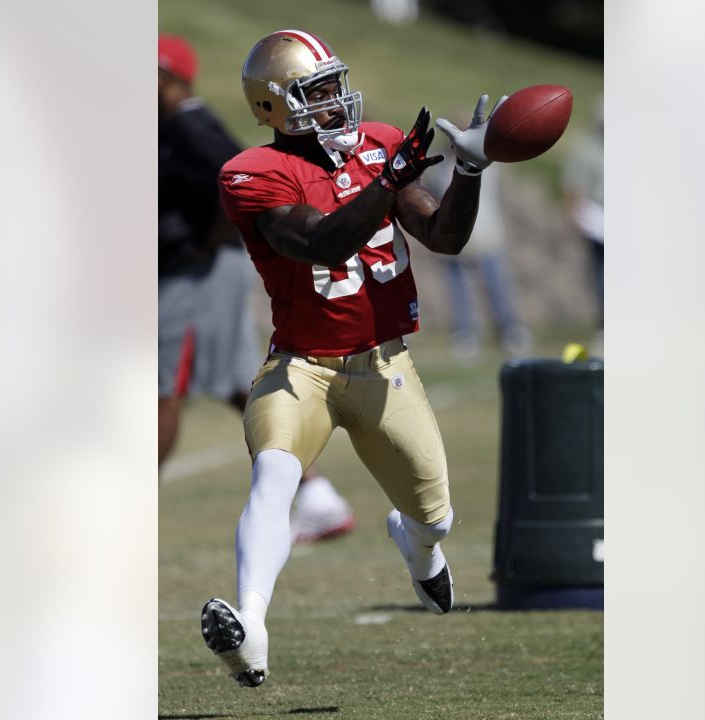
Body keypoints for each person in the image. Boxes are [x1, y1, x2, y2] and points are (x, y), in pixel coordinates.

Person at [199, 28, 501, 687]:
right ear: (274, 106)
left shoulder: (380, 148)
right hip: (302, 366)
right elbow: (319, 243)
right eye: (317, 90)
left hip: (384, 367)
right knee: (274, 477)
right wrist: (386, 183)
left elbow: (444, 235)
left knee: (436, 516)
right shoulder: (252, 173)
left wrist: (470, 172)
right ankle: (249, 626)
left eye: (336, 84)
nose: (336, 100)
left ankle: (419, 550)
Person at [158, 34, 353, 543]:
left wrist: (207, 243)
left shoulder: (191, 127)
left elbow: (239, 183)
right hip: (184, 271)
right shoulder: (171, 127)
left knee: (161, 389)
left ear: (170, 78)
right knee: (233, 384)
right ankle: (316, 494)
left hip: (193, 273)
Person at [421, 139, 533, 361]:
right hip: (456, 238)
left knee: (497, 286)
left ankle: (510, 329)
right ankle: (465, 333)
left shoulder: (488, 166)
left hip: (486, 234)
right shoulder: (442, 170)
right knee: (459, 290)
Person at [563, 94, 604, 339]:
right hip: (596, 215)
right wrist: (573, 214)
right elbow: (574, 184)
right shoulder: (586, 146)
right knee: (601, 271)